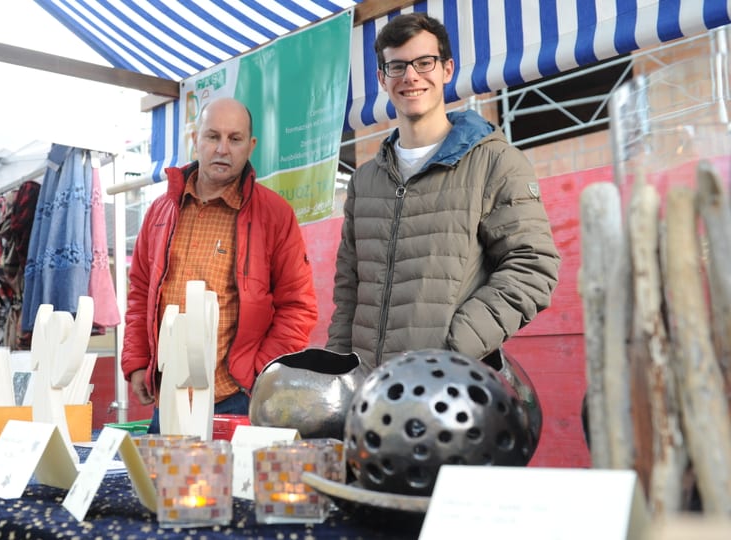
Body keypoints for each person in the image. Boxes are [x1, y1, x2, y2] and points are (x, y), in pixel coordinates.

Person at [327, 13, 560, 372]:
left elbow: (533, 268)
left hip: (445, 390)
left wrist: (454, 346)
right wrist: (339, 371)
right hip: (369, 393)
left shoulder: (496, 163)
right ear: (381, 78)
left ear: (447, 69)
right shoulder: (365, 181)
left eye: (424, 62)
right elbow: (348, 291)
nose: (411, 76)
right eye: (397, 66)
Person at [123, 97, 318, 432]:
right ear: (195, 139)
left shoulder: (274, 214)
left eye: (235, 138)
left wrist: (259, 372)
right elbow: (141, 292)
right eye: (213, 136)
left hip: (236, 397)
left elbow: (298, 306)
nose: (223, 149)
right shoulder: (160, 211)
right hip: (167, 394)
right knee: (160, 485)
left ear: (251, 145)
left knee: (231, 486)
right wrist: (138, 361)